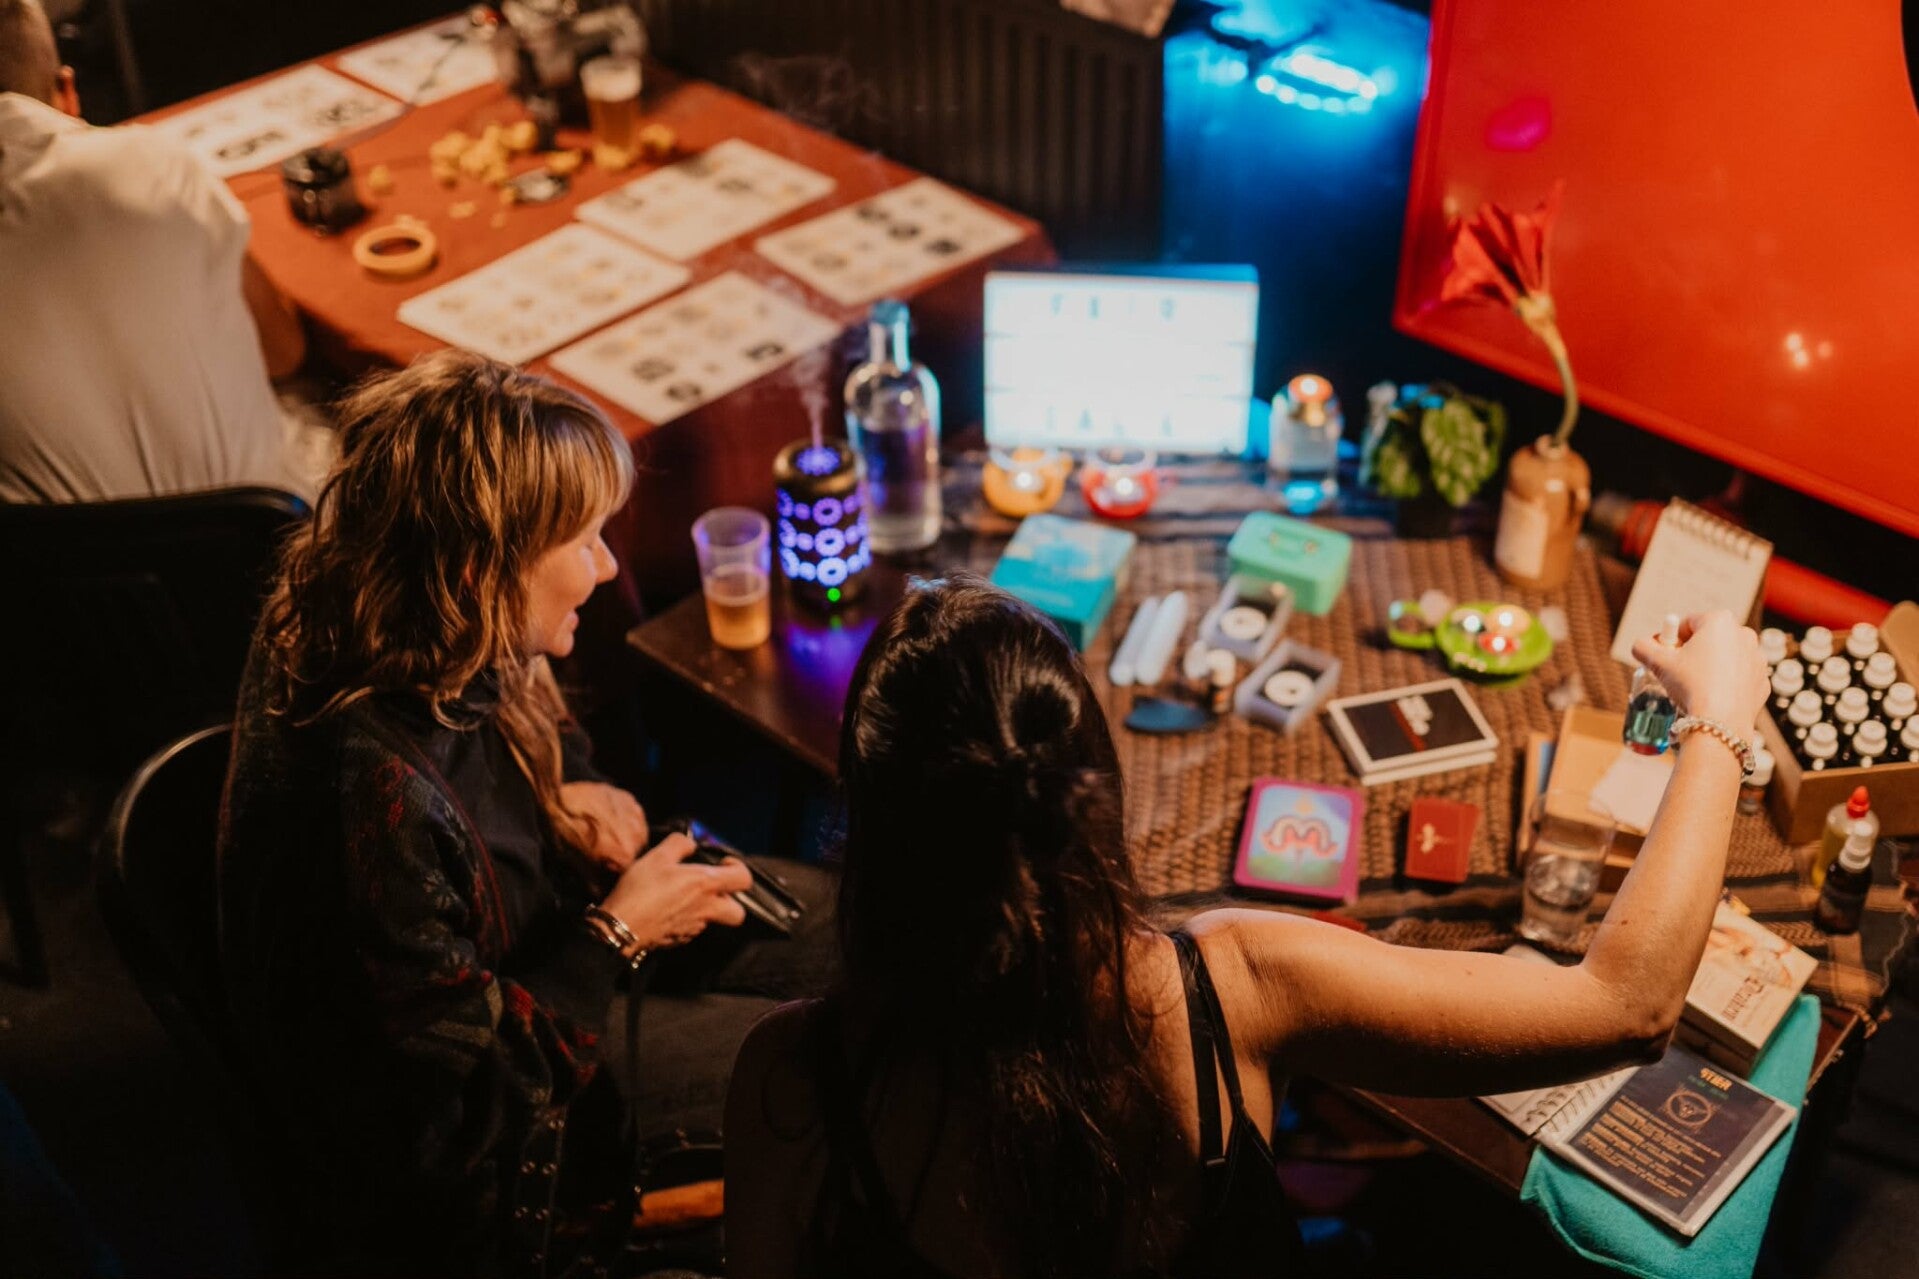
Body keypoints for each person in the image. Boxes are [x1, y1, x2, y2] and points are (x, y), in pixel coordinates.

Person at [726, 575, 1770, 1278]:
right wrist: (1717, 718)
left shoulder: (786, 1076)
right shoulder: (1229, 985)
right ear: (1092, 791)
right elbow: (1625, 1004)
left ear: (865, 829)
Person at [218, 350, 835, 1275]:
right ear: (479, 571)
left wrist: (567, 783)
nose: (607, 564)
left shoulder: (404, 607)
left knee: (857, 935)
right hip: (512, 1120)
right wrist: (618, 933)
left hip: (557, 931)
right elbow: (457, 1112)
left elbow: (517, 720)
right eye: (583, 541)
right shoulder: (370, 805)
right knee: (819, 1068)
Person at [0, 0, 320, 503]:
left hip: (59, 557)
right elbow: (284, 353)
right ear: (68, 93)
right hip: (274, 539)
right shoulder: (152, 164)